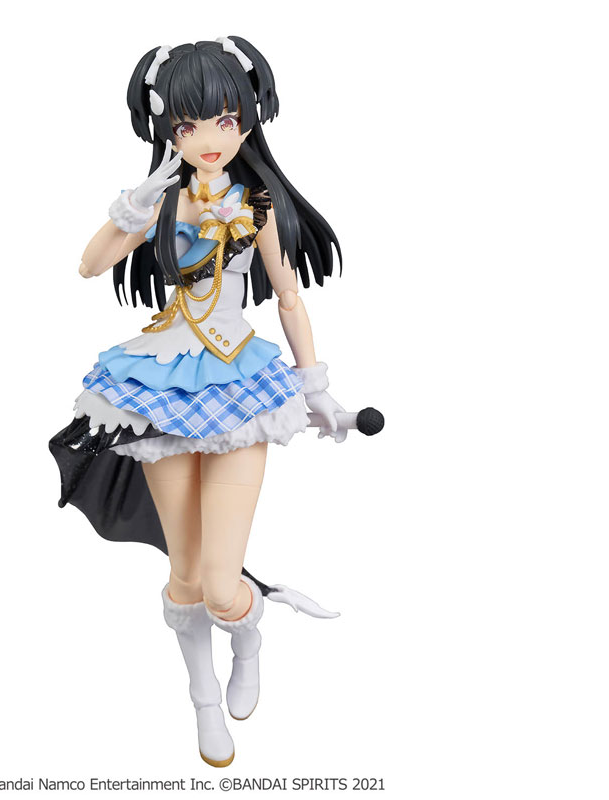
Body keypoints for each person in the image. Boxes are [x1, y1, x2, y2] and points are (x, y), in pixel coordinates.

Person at [49, 36, 383, 767]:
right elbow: (88, 265)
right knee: (186, 576)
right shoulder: (162, 202)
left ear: (246, 121)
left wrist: (317, 387)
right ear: (168, 129)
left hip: (237, 383)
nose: (208, 138)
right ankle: (203, 699)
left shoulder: (255, 204)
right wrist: (130, 210)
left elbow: (288, 297)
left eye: (225, 121)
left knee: (223, 586)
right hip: (164, 381)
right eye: (188, 125)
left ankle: (250, 631)